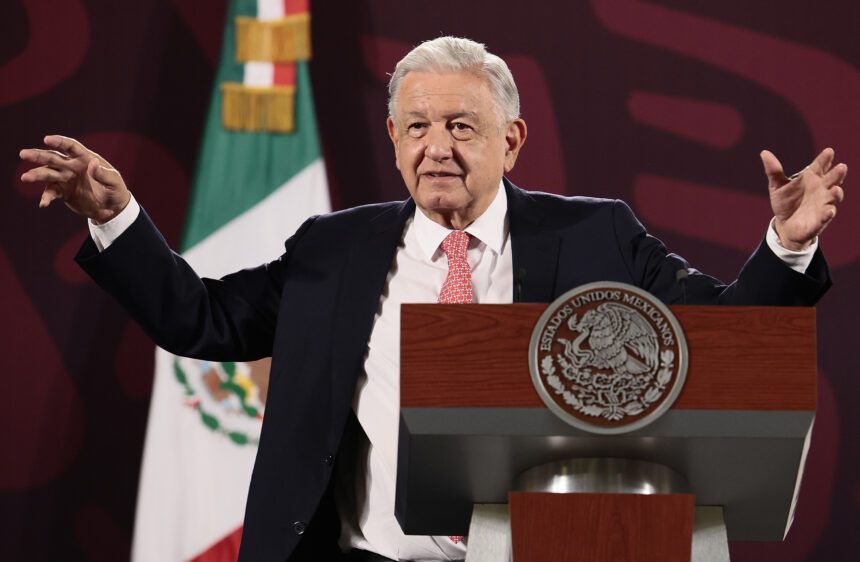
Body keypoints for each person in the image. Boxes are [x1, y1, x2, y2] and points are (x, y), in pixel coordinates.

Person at [19, 37, 845, 562]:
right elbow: (197, 318)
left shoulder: (598, 239)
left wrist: (789, 244)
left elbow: (721, 342)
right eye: (416, 127)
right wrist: (118, 219)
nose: (436, 147)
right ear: (392, 139)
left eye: (461, 125)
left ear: (511, 140)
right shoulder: (331, 250)